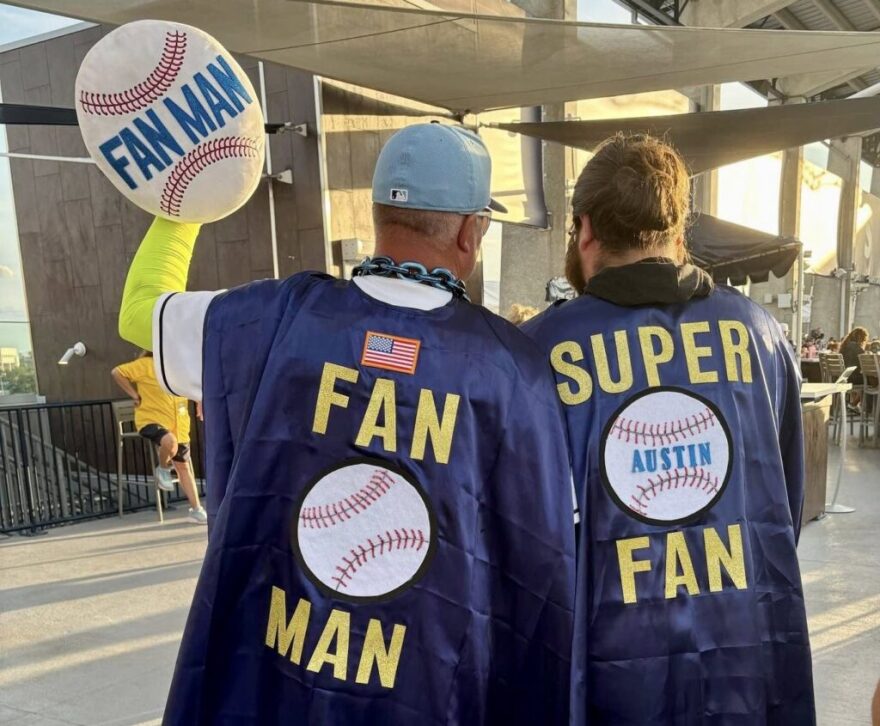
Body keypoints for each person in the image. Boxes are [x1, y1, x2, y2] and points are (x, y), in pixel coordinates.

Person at [117, 124, 575, 724]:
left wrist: (188, 199)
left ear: (380, 215)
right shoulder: (512, 369)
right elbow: (541, 567)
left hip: (274, 682)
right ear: (470, 231)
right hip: (428, 691)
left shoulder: (273, 317)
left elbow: (138, 314)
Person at [523, 133, 815, 724]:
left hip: (603, 663)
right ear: (680, 236)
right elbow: (783, 502)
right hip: (741, 646)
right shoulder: (760, 334)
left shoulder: (538, 350)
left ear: (583, 232)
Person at [111, 352, 207, 525]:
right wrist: (134, 395)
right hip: (152, 419)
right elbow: (117, 372)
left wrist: (199, 400)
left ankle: (196, 509)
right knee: (169, 442)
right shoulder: (146, 364)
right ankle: (162, 468)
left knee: (183, 466)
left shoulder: (179, 367)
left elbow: (193, 385)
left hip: (179, 422)